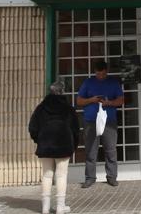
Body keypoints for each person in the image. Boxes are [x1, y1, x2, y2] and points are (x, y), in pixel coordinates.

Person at [28, 81, 79, 214]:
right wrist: (73, 145)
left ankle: (45, 208)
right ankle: (60, 207)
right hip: (64, 145)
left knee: (47, 175)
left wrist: (38, 140)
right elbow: (75, 129)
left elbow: (32, 127)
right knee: (61, 175)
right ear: (63, 92)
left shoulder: (41, 108)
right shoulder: (68, 108)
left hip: (45, 144)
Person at [77, 60, 124, 188]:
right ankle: (90, 178)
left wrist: (109, 103)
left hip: (109, 121)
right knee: (91, 150)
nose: (101, 77)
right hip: (90, 121)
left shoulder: (113, 82)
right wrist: (91, 99)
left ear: (106, 71)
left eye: (103, 74)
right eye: (98, 74)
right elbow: (79, 101)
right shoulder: (88, 82)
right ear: (94, 72)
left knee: (111, 150)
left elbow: (121, 100)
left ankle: (112, 177)